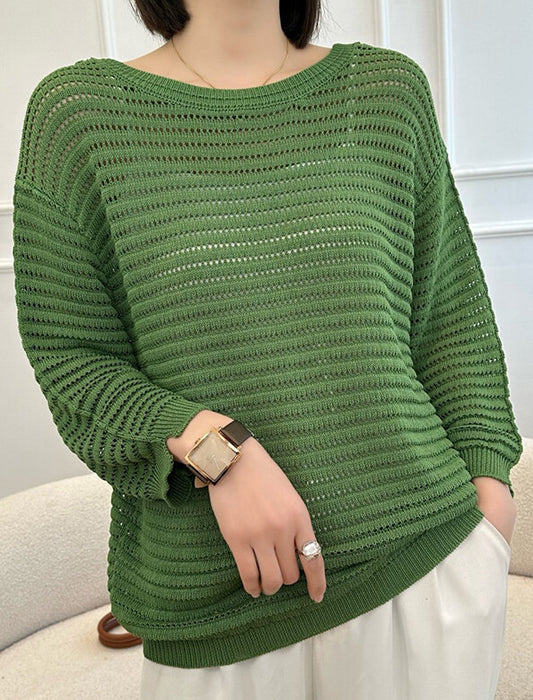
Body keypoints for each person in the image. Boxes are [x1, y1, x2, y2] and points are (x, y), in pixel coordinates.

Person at [11, 1, 522, 698]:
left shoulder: (385, 94)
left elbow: (450, 318)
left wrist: (490, 498)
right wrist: (216, 448)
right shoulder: (81, 117)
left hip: (427, 565)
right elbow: (72, 358)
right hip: (220, 607)